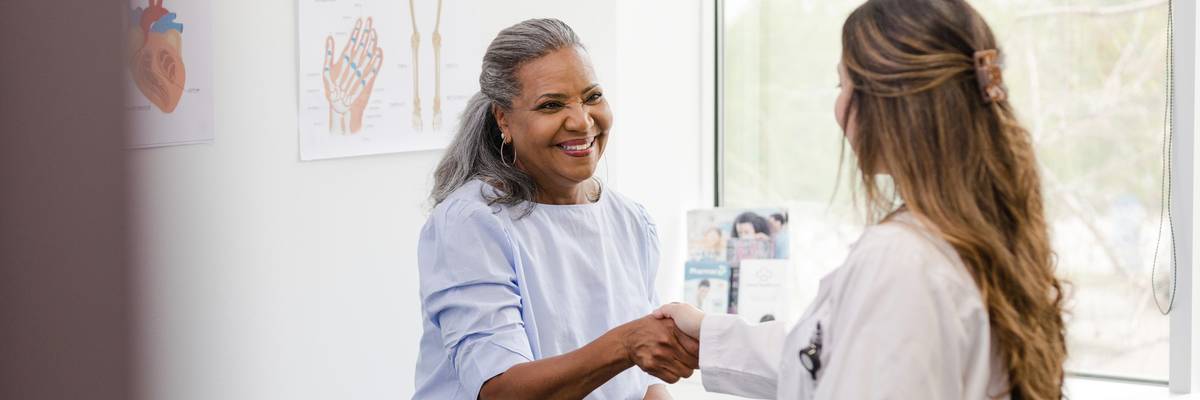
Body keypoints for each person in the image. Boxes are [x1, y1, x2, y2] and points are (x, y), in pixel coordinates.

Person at [655, 1, 1067, 399]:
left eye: (843, 84)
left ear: (887, 102)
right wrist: (709, 334)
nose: (839, 107)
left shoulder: (901, 260)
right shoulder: (974, 229)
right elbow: (826, 355)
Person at [415, 19, 694, 400]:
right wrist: (626, 343)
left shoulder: (631, 220)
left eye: (592, 96)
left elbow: (641, 382)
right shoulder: (471, 224)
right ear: (503, 119)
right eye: (551, 105)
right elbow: (500, 390)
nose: (581, 121)